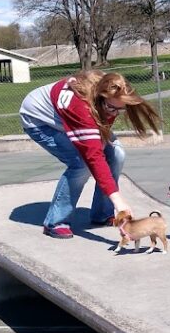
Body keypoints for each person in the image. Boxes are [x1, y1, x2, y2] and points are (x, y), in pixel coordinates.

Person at [19, 70, 161, 239]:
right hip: (39, 120)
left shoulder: (111, 87)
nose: (113, 114)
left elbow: (101, 136)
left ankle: (101, 213)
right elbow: (93, 157)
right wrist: (118, 201)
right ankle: (56, 221)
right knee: (81, 164)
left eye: (120, 110)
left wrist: (102, 140)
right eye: (110, 108)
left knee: (117, 154)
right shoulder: (79, 106)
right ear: (100, 97)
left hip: (70, 115)